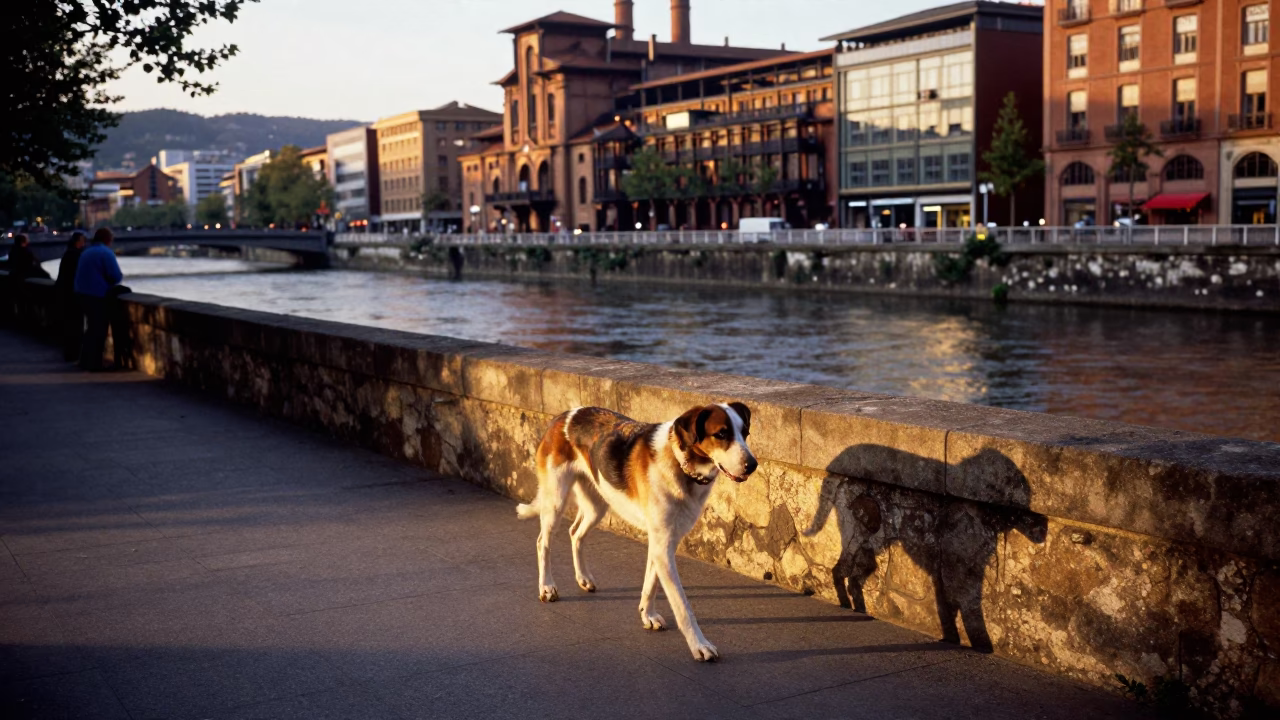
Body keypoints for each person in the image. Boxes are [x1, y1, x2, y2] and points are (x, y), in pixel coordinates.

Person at [74, 228, 123, 371]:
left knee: (90, 329)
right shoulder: (106, 253)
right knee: (99, 330)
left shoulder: (86, 252)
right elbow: (115, 276)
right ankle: (95, 364)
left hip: (81, 294)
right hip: (97, 296)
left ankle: (85, 360)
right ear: (108, 240)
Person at [55, 231, 87, 361]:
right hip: (73, 296)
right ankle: (74, 354)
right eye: (82, 241)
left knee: (69, 326)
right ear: (78, 242)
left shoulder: (68, 254)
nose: (84, 243)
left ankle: (70, 353)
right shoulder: (76, 255)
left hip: (65, 295)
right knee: (75, 326)